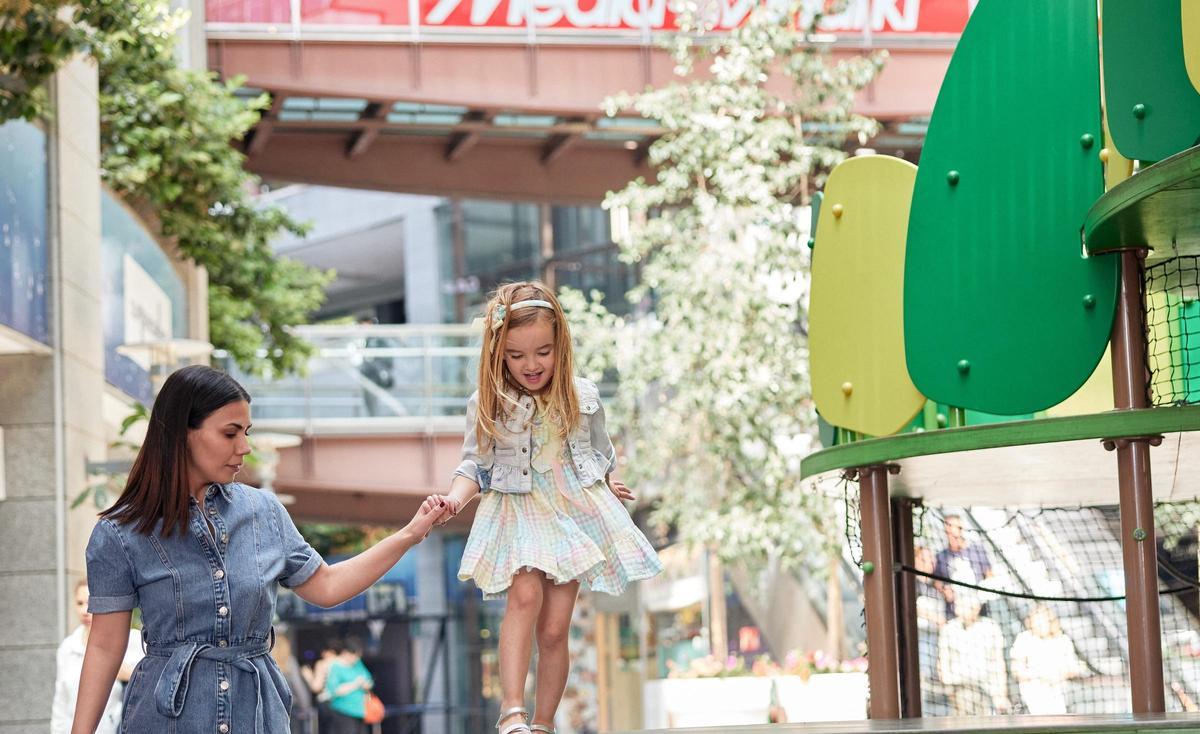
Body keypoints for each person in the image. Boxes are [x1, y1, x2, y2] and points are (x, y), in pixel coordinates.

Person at [70, 365, 445, 733]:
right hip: (167, 719)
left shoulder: (263, 512)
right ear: (182, 433)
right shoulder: (120, 533)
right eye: (230, 433)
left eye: (245, 432)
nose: (244, 448)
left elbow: (327, 586)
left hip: (258, 714)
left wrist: (409, 534)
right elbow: (105, 647)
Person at [431, 282, 664, 734]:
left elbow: (598, 454)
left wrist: (607, 483)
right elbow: (474, 465)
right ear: (499, 354)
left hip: (571, 510)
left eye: (543, 352)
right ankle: (511, 712)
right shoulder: (488, 404)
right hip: (519, 506)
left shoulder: (583, 396)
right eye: (517, 356)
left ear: (561, 347)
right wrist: (452, 501)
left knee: (556, 628)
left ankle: (542, 724)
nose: (531, 365)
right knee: (525, 594)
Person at [50, 579, 144, 733]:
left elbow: (152, 682)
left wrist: (125, 673)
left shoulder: (132, 640)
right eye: (79, 603)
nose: (84, 610)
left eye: (89, 602)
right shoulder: (67, 648)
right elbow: (61, 704)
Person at [936, 590, 1011, 716]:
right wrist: (949, 688)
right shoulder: (949, 629)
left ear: (978, 607)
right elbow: (943, 662)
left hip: (987, 689)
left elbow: (998, 661)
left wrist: (1001, 694)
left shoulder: (990, 627)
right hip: (960, 689)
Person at [1010, 605, 1085, 715]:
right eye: (1037, 621)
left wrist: (1059, 675)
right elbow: (1016, 670)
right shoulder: (1024, 639)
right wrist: (1039, 675)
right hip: (1033, 689)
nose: (1041, 624)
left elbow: (1075, 667)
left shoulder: (1062, 640)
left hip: (1060, 690)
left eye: (1044, 620)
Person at [934, 513, 993, 617]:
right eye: (948, 533)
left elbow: (989, 574)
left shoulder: (976, 550)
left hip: (978, 610)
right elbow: (937, 581)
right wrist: (944, 590)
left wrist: (981, 596)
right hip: (955, 612)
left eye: (955, 533)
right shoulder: (941, 556)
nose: (952, 536)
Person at [325, 637, 374, 733]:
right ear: (346, 652)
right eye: (354, 656)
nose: (356, 659)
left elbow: (369, 680)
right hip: (343, 711)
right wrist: (356, 684)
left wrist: (365, 685)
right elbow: (334, 690)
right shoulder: (336, 666)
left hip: (360, 710)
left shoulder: (358, 664)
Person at [271, 631, 317, 734]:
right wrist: (305, 707)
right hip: (290, 710)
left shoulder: (265, 662)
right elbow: (298, 687)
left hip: (270, 709)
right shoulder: (289, 662)